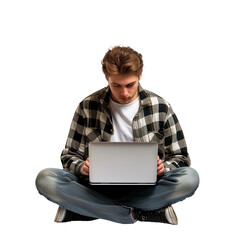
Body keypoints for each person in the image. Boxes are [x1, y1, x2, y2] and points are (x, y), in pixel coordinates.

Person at [36, 46, 199, 225]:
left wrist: (164, 168)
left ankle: (88, 210)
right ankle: (140, 212)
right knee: (46, 179)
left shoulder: (160, 107)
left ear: (140, 75)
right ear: (107, 77)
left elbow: (181, 158)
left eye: (130, 85)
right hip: (95, 188)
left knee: (189, 178)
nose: (124, 93)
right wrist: (82, 167)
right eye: (117, 85)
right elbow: (68, 156)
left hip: (147, 188)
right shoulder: (87, 106)